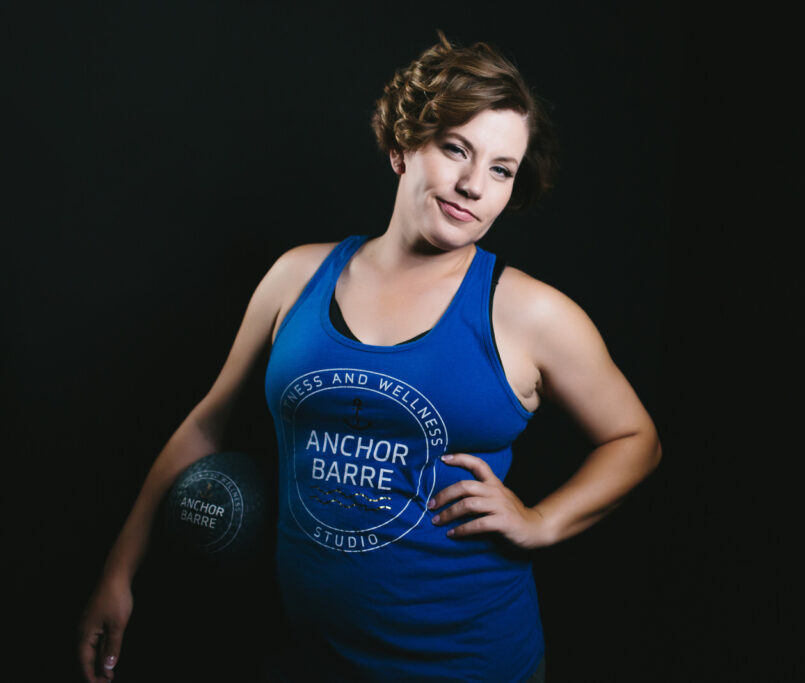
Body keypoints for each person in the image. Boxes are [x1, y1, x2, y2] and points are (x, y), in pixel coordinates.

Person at [78, 31, 661, 683]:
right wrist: (119, 570)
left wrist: (542, 521)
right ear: (402, 146)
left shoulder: (532, 314)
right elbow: (205, 426)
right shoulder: (295, 277)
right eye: (455, 149)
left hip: (472, 664)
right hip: (313, 656)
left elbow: (635, 437)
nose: (473, 185)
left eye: (501, 169)